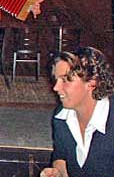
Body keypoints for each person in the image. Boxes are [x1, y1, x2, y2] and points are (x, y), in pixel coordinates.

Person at [40, 47, 114, 177]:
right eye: (56, 80)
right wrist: (57, 172)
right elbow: (61, 155)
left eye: (65, 80)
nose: (56, 87)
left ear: (92, 82)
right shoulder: (61, 117)